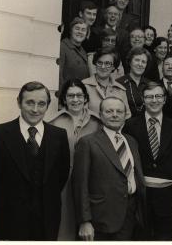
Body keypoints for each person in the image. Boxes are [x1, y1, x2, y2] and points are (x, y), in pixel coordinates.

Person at [0, 81, 70, 240]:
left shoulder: (59, 136)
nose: (35, 109)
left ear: (48, 105)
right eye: (30, 102)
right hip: (9, 222)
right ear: (19, 103)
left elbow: (61, 175)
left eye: (41, 104)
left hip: (47, 221)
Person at [73, 97, 146, 241]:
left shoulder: (131, 141)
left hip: (131, 215)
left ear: (125, 115)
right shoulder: (88, 142)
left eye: (119, 111)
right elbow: (79, 185)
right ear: (100, 115)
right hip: (101, 219)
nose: (114, 114)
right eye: (109, 111)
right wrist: (84, 221)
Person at [123, 82, 172, 240]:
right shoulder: (130, 125)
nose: (154, 100)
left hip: (167, 194)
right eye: (149, 97)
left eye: (158, 96)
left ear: (164, 99)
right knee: (140, 236)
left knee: (165, 235)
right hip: (140, 194)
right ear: (143, 99)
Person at [49, 79, 102, 240]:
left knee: (89, 228)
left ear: (86, 98)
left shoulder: (97, 122)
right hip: (63, 183)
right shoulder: (53, 122)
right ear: (64, 99)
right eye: (70, 96)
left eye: (79, 95)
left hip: (90, 182)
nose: (75, 100)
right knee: (65, 229)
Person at [82, 47, 131, 119]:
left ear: (113, 67)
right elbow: (80, 115)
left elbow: (127, 116)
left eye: (107, 63)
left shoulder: (121, 90)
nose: (103, 66)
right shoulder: (84, 86)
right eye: (99, 62)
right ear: (95, 64)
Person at [117, 47, 151, 117]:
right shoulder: (119, 83)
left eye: (143, 62)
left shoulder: (150, 85)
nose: (140, 64)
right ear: (130, 62)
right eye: (137, 60)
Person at [58, 17, 89, 90]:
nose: (80, 32)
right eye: (77, 28)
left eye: (83, 30)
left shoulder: (83, 52)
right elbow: (59, 75)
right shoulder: (62, 47)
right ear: (71, 31)